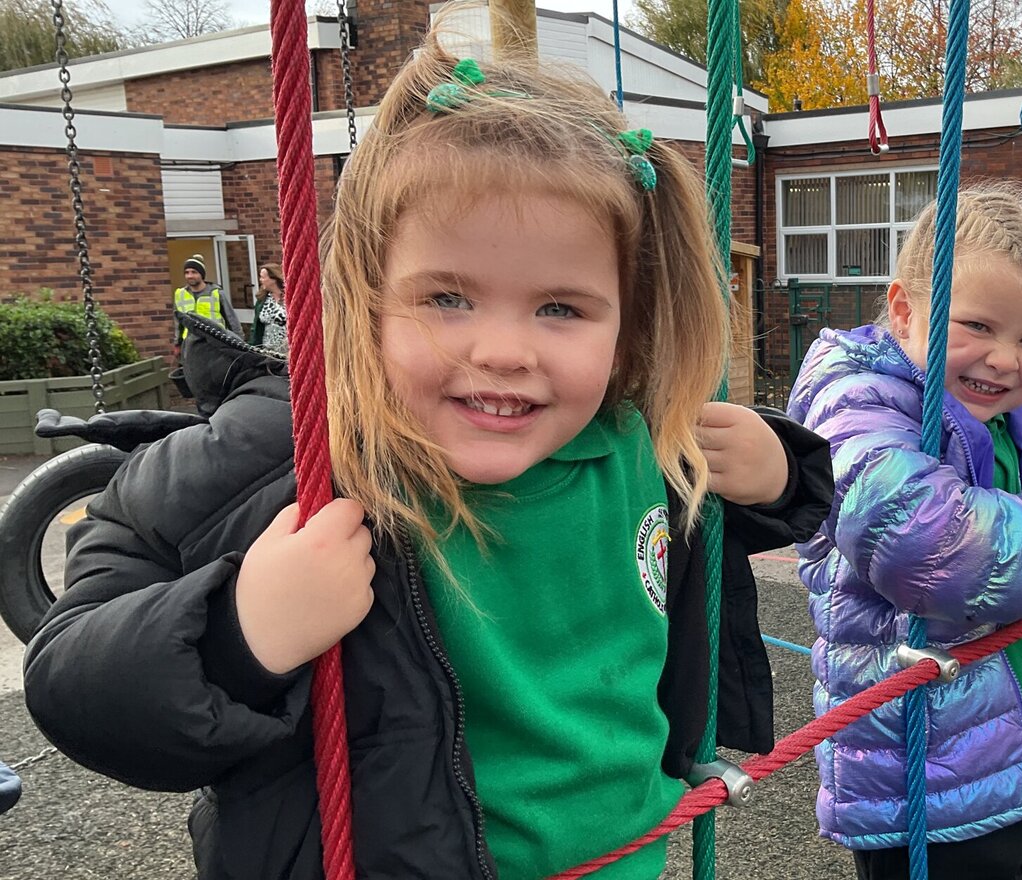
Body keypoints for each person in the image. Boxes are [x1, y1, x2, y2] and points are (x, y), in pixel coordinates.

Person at [24, 33, 833, 880]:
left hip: (629, 862)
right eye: (448, 297)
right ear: (368, 298)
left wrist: (779, 473)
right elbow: (71, 676)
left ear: (626, 325)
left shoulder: (642, 443)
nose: (504, 351)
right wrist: (239, 632)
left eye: (561, 308)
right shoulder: (289, 451)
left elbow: (755, 519)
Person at [787, 183, 1022, 880]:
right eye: (978, 326)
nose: (1005, 359)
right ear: (904, 311)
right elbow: (940, 554)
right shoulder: (858, 404)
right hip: (925, 781)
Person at [172, 253, 241, 357]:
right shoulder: (180, 294)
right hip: (191, 345)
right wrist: (177, 343)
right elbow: (178, 323)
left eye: (194, 272)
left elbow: (232, 321)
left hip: (215, 343)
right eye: (187, 272)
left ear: (202, 274)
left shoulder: (216, 293)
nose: (190, 276)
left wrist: (239, 342)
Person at [249, 262, 288, 354]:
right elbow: (255, 328)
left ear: (273, 279)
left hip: (287, 352)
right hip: (267, 351)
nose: (260, 280)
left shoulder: (289, 298)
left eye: (263, 277)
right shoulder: (262, 300)